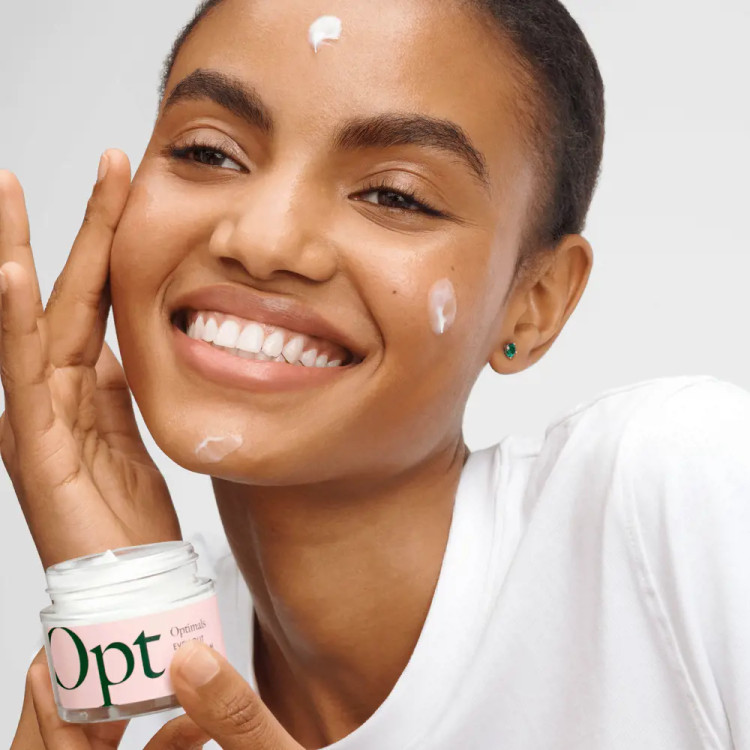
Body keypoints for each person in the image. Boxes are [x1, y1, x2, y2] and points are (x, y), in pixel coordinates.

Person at [2, 0, 749, 748]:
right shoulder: (143, 670)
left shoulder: (681, 496)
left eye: (395, 195)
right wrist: (119, 591)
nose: (263, 240)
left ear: (535, 303)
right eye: (210, 152)